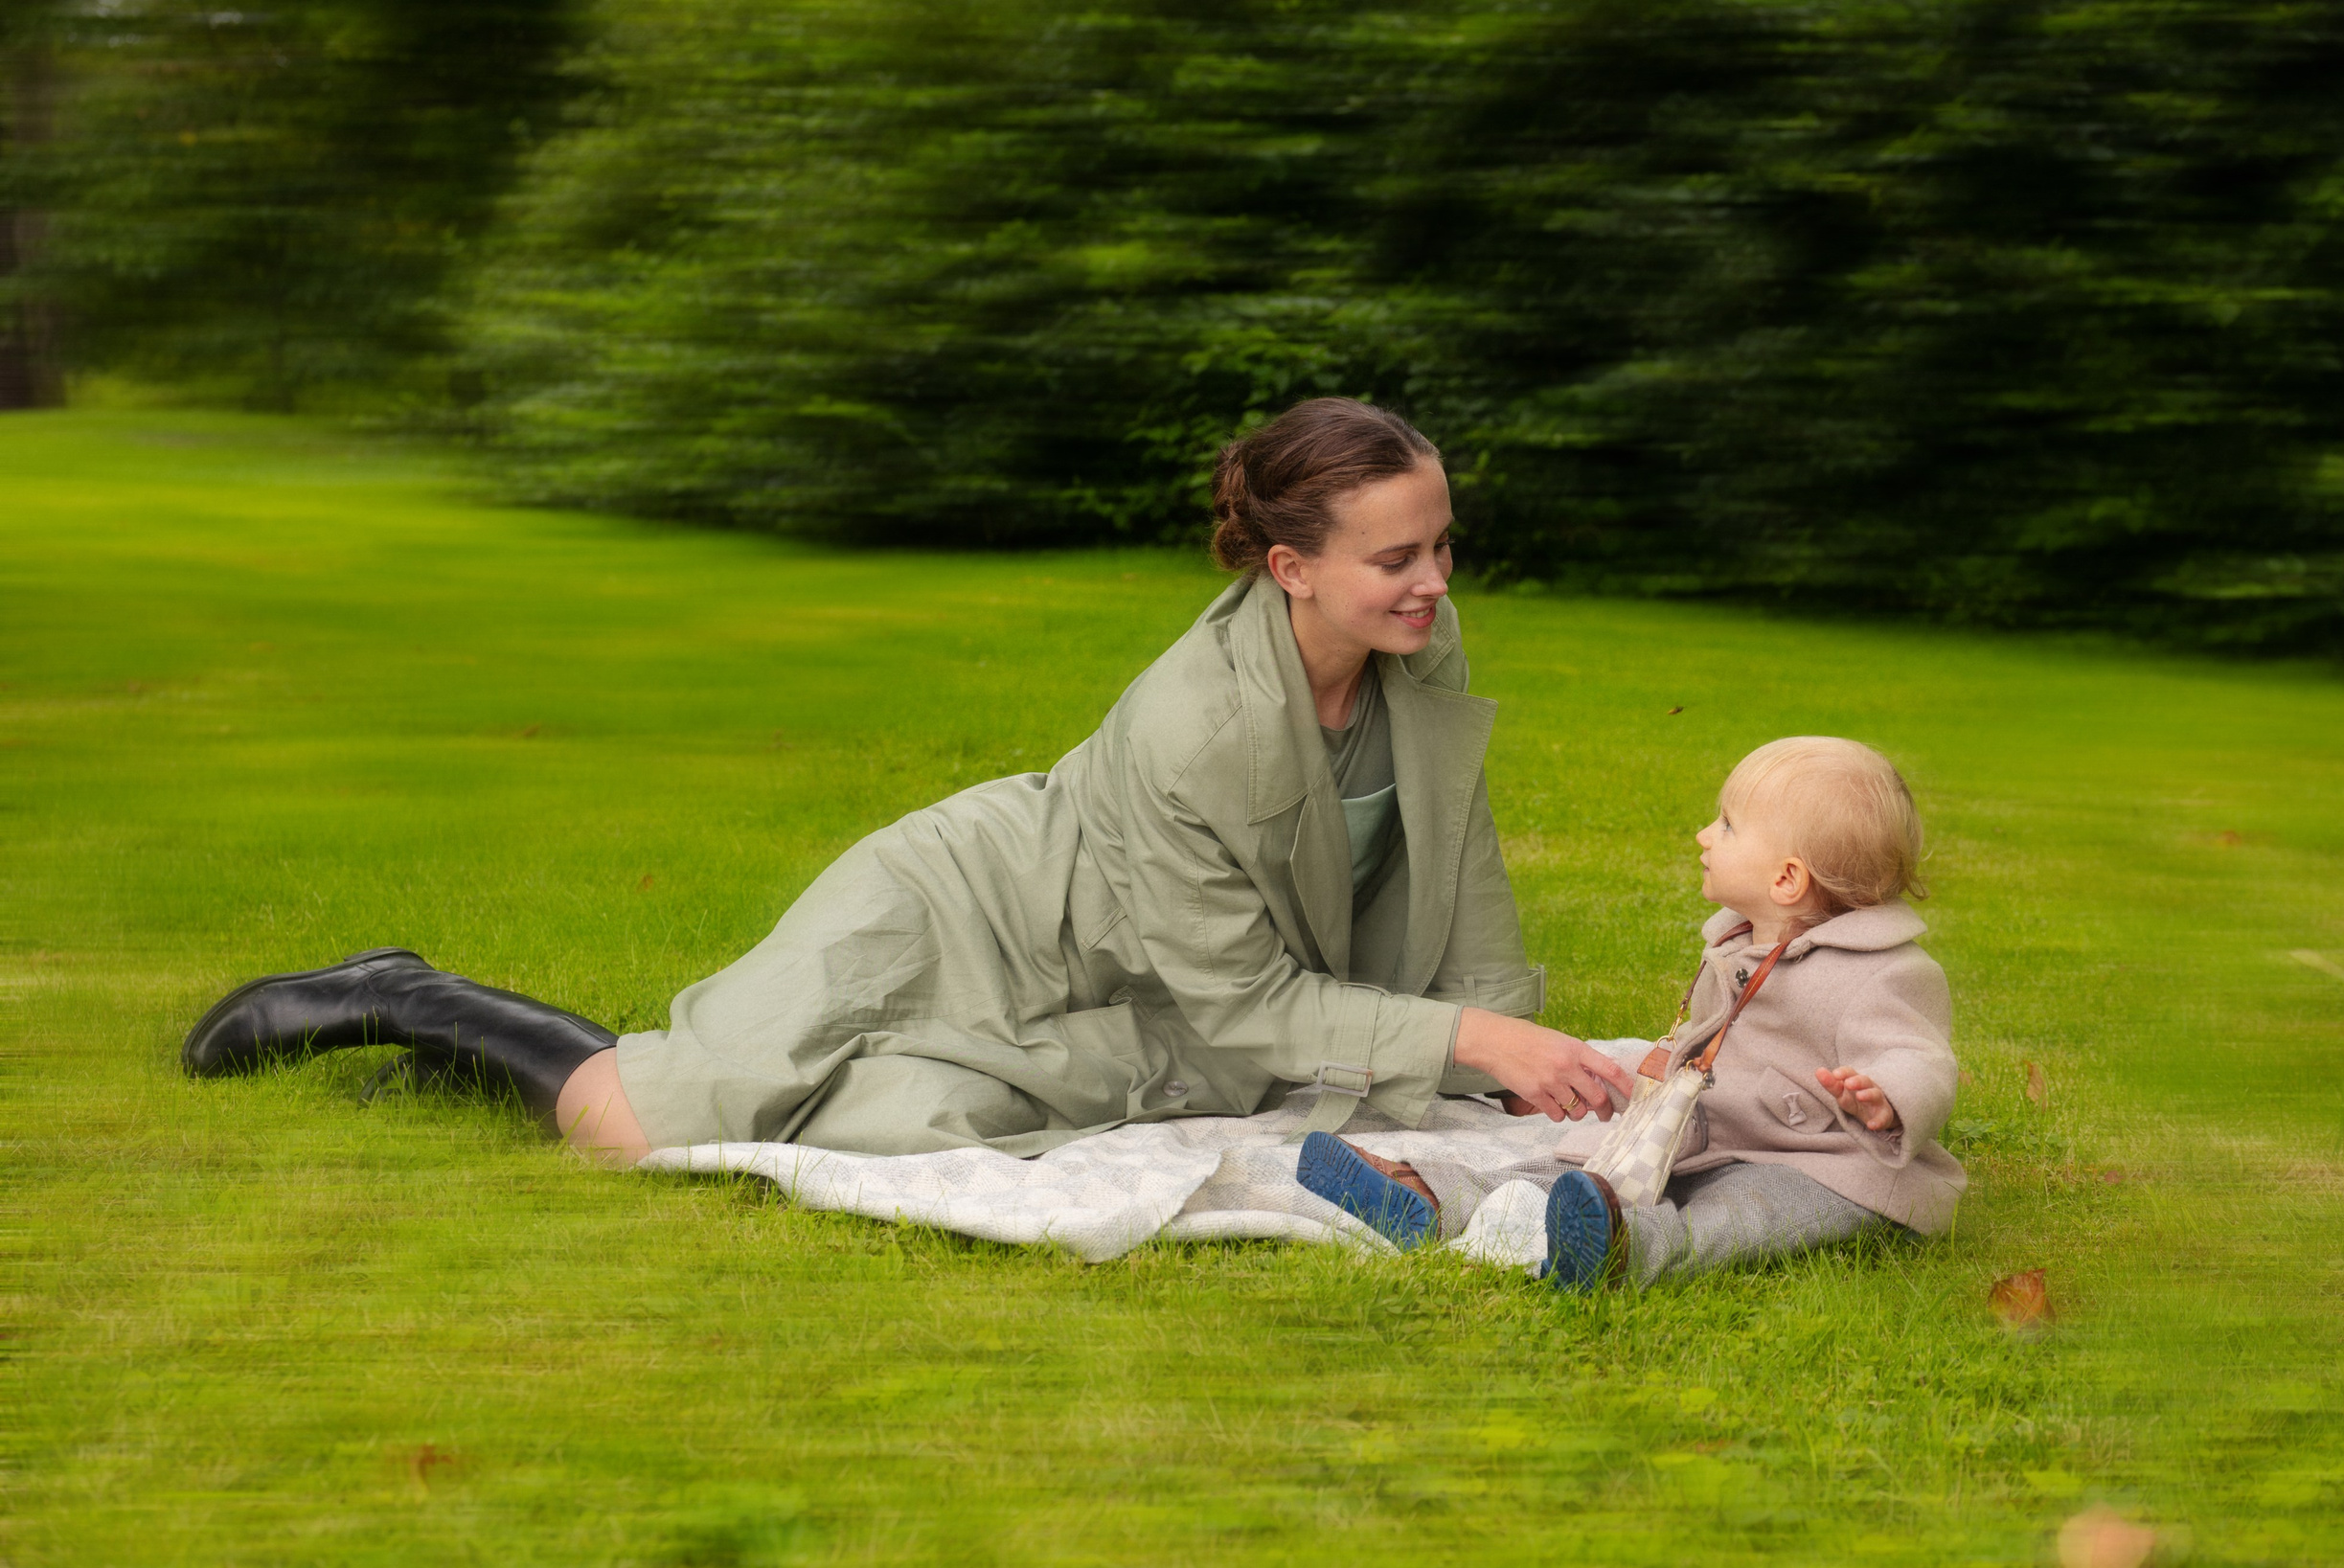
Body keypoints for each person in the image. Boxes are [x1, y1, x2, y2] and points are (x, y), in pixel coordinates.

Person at [183, 398, 1634, 1163]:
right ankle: (403, 994)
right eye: (1401, 557)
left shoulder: (1414, 654)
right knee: (655, 1121)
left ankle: (444, 1051)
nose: (1437, 581)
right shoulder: (1193, 725)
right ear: (1290, 565)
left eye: (1444, 544)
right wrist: (1470, 1043)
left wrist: (1502, 1049)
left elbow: (1457, 877)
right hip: (968, 909)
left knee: (874, 1127)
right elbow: (1252, 1005)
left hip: (1128, 995)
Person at [1296, 735, 1964, 1291]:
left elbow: (1920, 1057)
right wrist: (1645, 1069)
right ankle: (1434, 1197)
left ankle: (1623, 1248)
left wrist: (1887, 1097)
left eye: (1727, 825)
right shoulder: (1737, 941)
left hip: (1821, 1163)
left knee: (1742, 1214)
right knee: (1590, 1171)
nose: (1706, 834)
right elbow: (1705, 1041)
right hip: (1720, 1131)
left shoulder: (1884, 970)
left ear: (1787, 878)